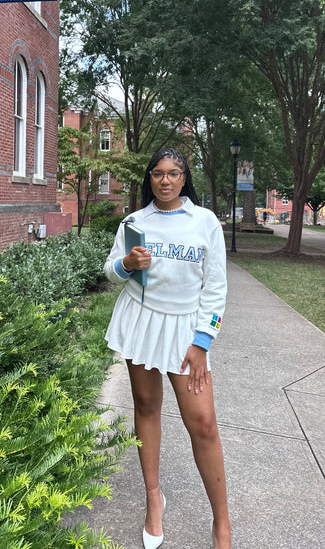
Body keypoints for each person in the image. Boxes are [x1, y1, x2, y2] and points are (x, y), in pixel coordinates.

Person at [104, 148, 231, 549]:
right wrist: (127, 263)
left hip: (185, 332)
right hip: (141, 321)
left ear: (184, 177)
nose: (164, 180)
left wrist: (202, 342)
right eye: (157, 173)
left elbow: (215, 288)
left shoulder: (204, 222)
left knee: (204, 423)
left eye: (173, 173)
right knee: (145, 406)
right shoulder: (133, 221)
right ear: (149, 177)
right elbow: (110, 272)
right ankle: (153, 500)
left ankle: (222, 523)